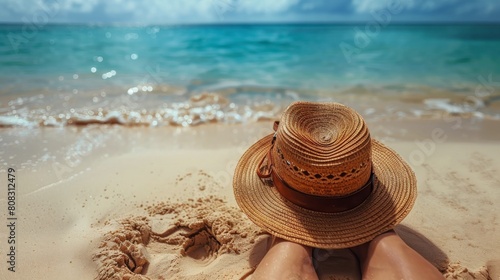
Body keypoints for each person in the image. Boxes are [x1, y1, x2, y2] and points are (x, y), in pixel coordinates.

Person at [232, 102, 445, 279]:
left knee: (287, 253)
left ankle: (290, 240)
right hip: (360, 199)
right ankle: (373, 238)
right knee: (388, 247)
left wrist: (287, 229)